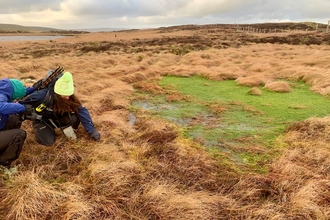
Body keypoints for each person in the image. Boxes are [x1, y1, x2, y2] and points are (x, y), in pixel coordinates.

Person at [19, 71, 100, 146]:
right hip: (42, 120)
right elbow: (19, 105)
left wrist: (92, 130)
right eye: (65, 96)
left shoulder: (69, 97)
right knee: (48, 143)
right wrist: (29, 113)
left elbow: (82, 110)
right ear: (57, 93)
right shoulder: (41, 96)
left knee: (73, 118)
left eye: (69, 95)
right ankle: (45, 132)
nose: (68, 97)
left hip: (58, 117)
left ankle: (64, 127)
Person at [0, 78, 34, 168]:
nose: (16, 99)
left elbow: (19, 92)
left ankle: (5, 147)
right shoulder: (1, 97)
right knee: (19, 135)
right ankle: (3, 165)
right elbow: (1, 107)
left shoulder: (3, 90)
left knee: (15, 118)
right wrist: (23, 108)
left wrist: (33, 89)